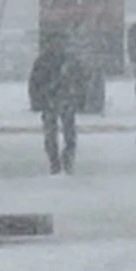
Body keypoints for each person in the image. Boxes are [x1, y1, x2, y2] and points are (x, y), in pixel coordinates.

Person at [28, 28, 85, 175]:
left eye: (60, 42)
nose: (57, 45)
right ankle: (55, 162)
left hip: (65, 100)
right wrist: (37, 100)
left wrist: (79, 98)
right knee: (51, 134)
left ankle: (67, 159)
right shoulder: (43, 61)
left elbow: (79, 81)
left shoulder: (68, 61)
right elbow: (34, 83)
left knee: (69, 133)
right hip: (50, 101)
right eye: (55, 42)